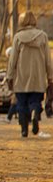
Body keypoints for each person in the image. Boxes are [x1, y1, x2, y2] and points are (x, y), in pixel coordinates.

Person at [6, 10, 53, 138]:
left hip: (21, 76)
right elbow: (48, 60)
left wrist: (9, 76)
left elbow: (13, 59)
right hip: (38, 76)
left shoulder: (17, 37)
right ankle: (34, 113)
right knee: (35, 100)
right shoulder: (42, 36)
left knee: (21, 102)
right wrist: (50, 77)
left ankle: (24, 129)